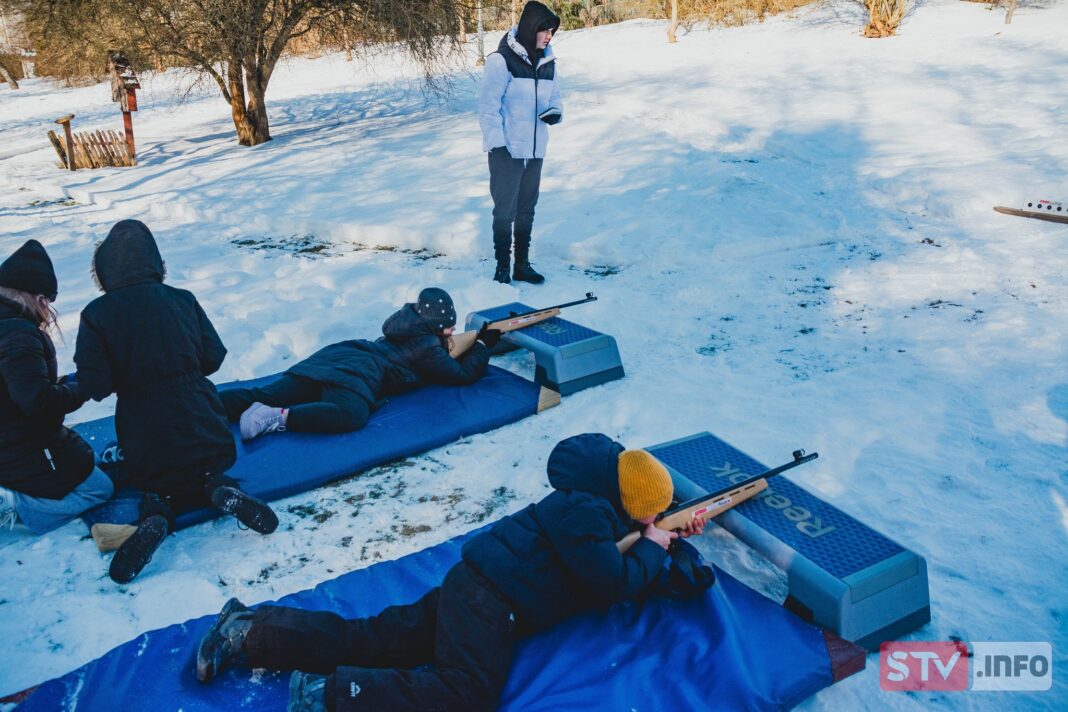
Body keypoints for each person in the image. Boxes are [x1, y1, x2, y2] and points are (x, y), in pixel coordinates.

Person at [195, 433, 709, 712]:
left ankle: (250, 634)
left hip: (476, 586)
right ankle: (327, 696)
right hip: (492, 602)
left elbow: (636, 567)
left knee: (377, 639)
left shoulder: (591, 506)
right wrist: (655, 541)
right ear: (632, 505)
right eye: (652, 512)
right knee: (467, 691)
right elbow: (614, 582)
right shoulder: (586, 518)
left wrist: (669, 545)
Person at [74, 220, 278, 584]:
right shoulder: (182, 299)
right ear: (155, 261)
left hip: (143, 428)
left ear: (103, 269)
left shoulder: (97, 314)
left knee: (156, 484)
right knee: (206, 470)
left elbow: (96, 383)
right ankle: (219, 489)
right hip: (201, 420)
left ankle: (158, 516)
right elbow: (213, 356)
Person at [220, 287, 501, 441]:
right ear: (433, 326)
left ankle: (202, 406)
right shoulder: (427, 346)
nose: (452, 332)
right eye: (447, 328)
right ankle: (277, 417)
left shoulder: (407, 323)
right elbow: (461, 375)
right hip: (361, 373)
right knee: (350, 415)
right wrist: (481, 345)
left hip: (342, 355)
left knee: (265, 393)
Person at [0, 240, 114, 534]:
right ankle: (12, 503)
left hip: (12, 438)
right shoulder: (18, 335)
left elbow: (20, 387)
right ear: (36, 297)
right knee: (99, 489)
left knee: (86, 457)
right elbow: (36, 401)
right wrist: (83, 387)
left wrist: (69, 383)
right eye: (47, 301)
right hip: (18, 446)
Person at [478, 1, 563, 285]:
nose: (549, 36)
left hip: (536, 149)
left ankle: (522, 265)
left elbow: (555, 99)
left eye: (552, 31)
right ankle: (502, 266)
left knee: (527, 208)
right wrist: (497, 146)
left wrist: (554, 113)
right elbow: (488, 109)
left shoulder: (549, 62)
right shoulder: (501, 61)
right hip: (507, 150)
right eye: (545, 30)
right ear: (530, 28)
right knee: (505, 211)